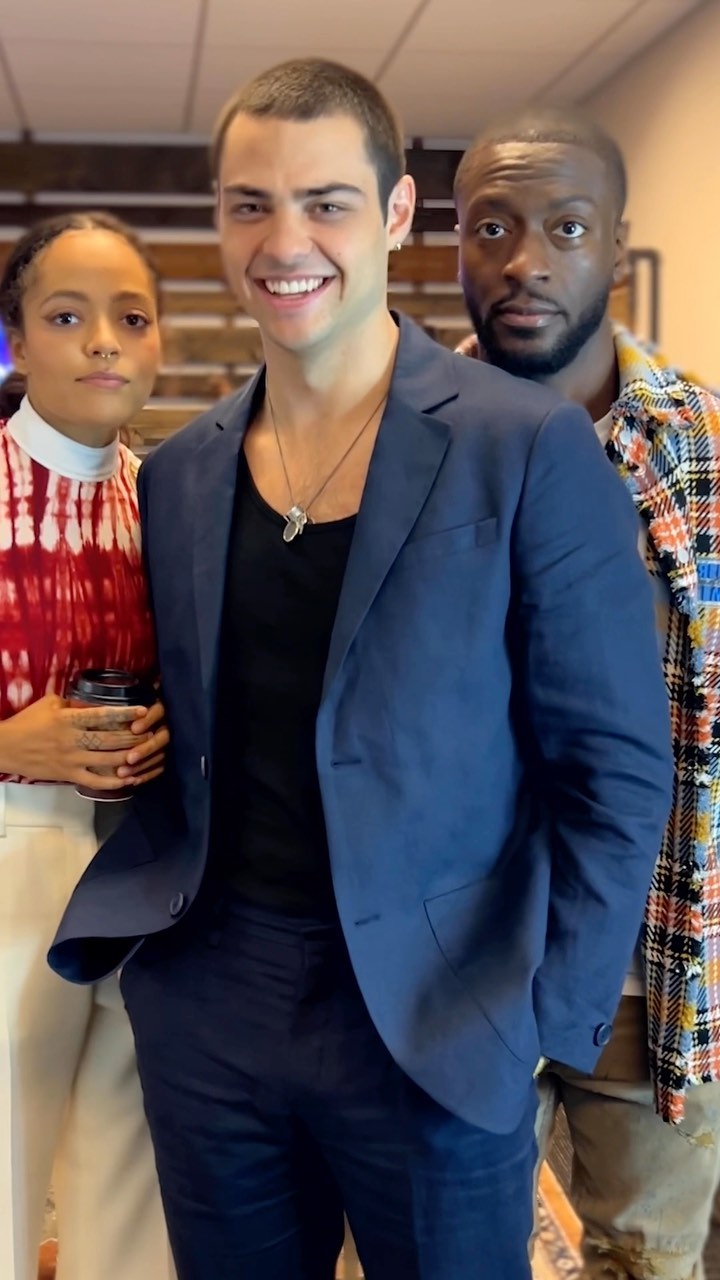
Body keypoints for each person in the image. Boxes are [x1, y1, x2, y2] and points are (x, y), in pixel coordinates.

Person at [50, 60, 672, 1280]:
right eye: (251, 204)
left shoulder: (525, 446)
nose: (286, 242)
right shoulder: (179, 473)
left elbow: (614, 767)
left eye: (326, 203)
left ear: (393, 215)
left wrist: (540, 1017)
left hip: (438, 1013)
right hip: (213, 1002)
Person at [454, 104, 720, 1280]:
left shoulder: (702, 447)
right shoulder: (395, 439)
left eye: (566, 227)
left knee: (645, 1259)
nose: (526, 260)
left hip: (656, 967)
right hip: (454, 961)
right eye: (493, 227)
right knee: (443, 1253)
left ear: (617, 246)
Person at [0, 212, 174, 1280]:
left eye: (131, 317)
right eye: (68, 317)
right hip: (12, 853)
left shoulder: (168, 501)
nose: (104, 341)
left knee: (134, 1179)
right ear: (17, 338)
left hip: (146, 868)